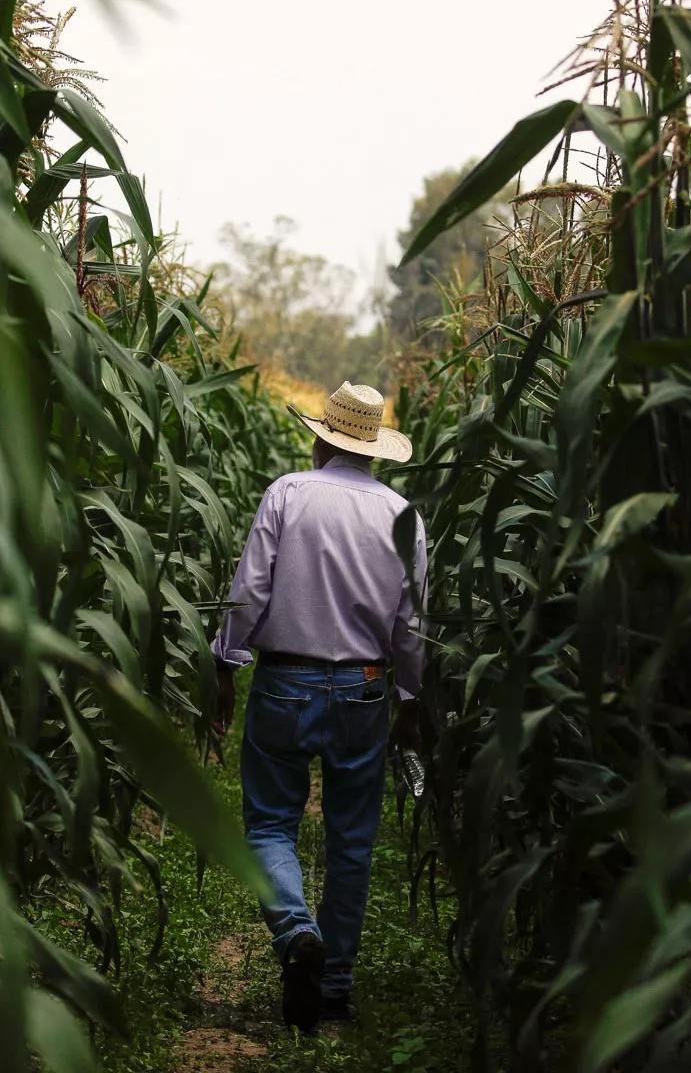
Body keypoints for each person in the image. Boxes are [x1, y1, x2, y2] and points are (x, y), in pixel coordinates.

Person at [210, 381, 427, 1033]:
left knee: (270, 826)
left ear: (320, 437)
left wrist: (225, 662)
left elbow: (249, 590)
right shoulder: (401, 515)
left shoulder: (289, 493)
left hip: (284, 683)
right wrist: (411, 700)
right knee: (352, 844)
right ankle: (331, 995)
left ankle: (297, 933)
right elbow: (411, 622)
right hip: (363, 686)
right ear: (375, 449)